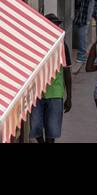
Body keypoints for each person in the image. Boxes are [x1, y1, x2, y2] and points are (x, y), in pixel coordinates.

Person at [30, 13, 72, 142]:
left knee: (52, 131)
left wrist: (69, 97)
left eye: (58, 25)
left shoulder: (62, 46)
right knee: (36, 128)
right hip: (37, 93)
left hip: (55, 93)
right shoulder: (36, 46)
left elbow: (67, 73)